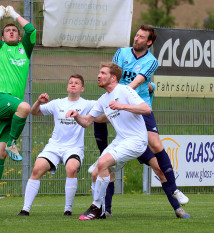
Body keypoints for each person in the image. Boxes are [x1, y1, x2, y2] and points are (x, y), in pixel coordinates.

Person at [111, 24, 190, 218]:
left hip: (138, 109)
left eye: (141, 37)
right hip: (121, 114)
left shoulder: (151, 61)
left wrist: (123, 95)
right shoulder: (121, 53)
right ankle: (104, 209)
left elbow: (137, 82)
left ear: (149, 42)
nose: (136, 38)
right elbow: (113, 77)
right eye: (136, 35)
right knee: (105, 166)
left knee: (156, 152)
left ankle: (177, 202)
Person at [66, 62, 151, 220]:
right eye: (99, 73)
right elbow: (86, 122)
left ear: (113, 78)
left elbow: (146, 109)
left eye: (103, 73)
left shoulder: (124, 90)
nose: (99, 76)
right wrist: (76, 115)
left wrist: (122, 106)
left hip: (136, 140)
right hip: (121, 140)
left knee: (103, 162)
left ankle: (95, 206)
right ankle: (102, 211)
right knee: (96, 173)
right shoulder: (103, 100)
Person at [17, 74, 96, 217]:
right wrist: (38, 102)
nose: (73, 84)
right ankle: (25, 210)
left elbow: (103, 108)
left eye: (77, 83)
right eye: (70, 82)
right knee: (36, 169)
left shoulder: (88, 104)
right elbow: (35, 112)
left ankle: (68, 210)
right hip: (54, 146)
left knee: (71, 168)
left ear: (82, 88)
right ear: (67, 87)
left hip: (73, 148)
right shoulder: (57, 103)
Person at [0, 5, 36, 215]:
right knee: (24, 107)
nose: (12, 31)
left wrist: (14, 15)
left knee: (0, 151)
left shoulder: (25, 49)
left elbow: (31, 31)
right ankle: (14, 143)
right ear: (2, 37)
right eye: (7, 31)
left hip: (9, 107)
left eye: (15, 30)